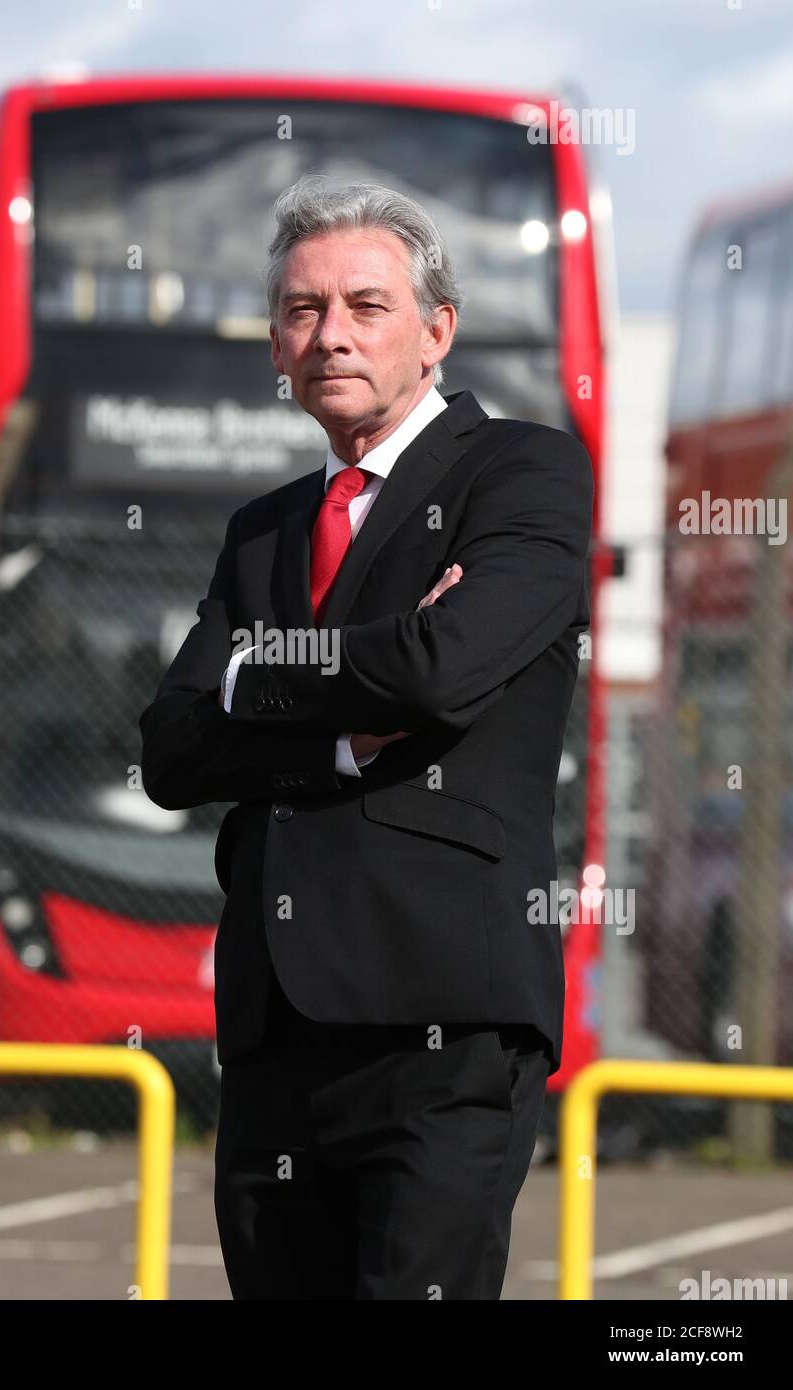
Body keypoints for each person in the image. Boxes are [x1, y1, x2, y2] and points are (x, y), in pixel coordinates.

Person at [139, 174, 593, 1299]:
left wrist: (258, 673)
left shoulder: (526, 472)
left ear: (437, 330)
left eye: (365, 304)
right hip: (274, 1031)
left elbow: (445, 668)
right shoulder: (262, 534)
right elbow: (173, 752)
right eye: (301, 310)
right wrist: (341, 730)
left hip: (442, 1018)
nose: (329, 334)